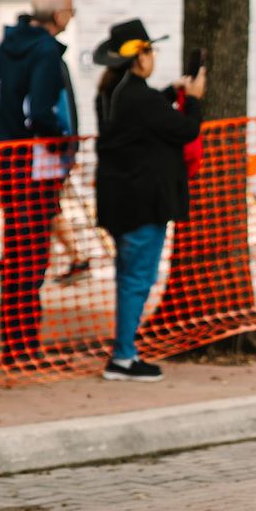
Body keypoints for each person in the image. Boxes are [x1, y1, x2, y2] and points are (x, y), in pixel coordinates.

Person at [93, 19, 205, 381]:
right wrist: (194, 100)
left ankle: (124, 352)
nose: (153, 57)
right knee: (137, 280)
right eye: (150, 51)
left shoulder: (113, 93)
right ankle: (124, 357)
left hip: (119, 201)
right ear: (139, 58)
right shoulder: (138, 98)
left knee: (129, 277)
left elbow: (148, 114)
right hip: (142, 204)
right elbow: (184, 129)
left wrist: (172, 91)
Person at [0, 0, 79, 370]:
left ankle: (15, 341)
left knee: (17, 252)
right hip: (35, 168)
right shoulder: (44, 52)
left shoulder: (7, 46)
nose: (71, 17)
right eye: (70, 11)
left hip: (9, 161)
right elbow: (40, 111)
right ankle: (24, 346)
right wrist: (62, 144)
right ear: (58, 15)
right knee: (32, 255)